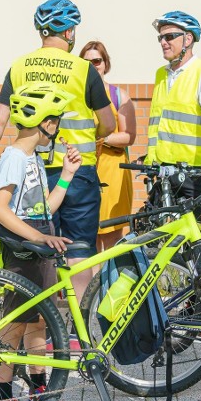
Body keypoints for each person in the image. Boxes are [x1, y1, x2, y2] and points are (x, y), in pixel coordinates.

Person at [0, 0, 115, 299]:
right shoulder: (83, 69)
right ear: (69, 33)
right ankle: (81, 328)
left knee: (40, 250)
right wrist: (92, 138)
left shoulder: (19, 66)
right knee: (79, 247)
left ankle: (43, 322)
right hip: (77, 170)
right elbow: (108, 124)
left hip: (33, 170)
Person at [0, 83, 81, 401]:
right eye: (56, 120)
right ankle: (0, 399)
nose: (57, 128)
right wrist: (38, 236)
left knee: (38, 323)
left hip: (39, 248)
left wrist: (67, 176)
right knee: (16, 325)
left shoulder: (32, 159)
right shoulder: (14, 157)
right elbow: (0, 209)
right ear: (46, 122)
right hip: (24, 252)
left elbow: (45, 207)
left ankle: (40, 393)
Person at [147, 11, 201, 171]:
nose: (163, 42)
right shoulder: (161, 74)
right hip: (161, 169)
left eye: (169, 37)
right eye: (160, 38)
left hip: (194, 170)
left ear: (188, 39)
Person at [79, 41, 136, 251]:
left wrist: (101, 138)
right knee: (88, 237)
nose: (93, 66)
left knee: (112, 236)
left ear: (105, 64)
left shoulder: (118, 95)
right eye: (86, 62)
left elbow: (129, 136)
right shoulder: (76, 96)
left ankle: (111, 283)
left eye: (97, 61)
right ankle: (95, 285)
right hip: (84, 168)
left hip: (113, 170)